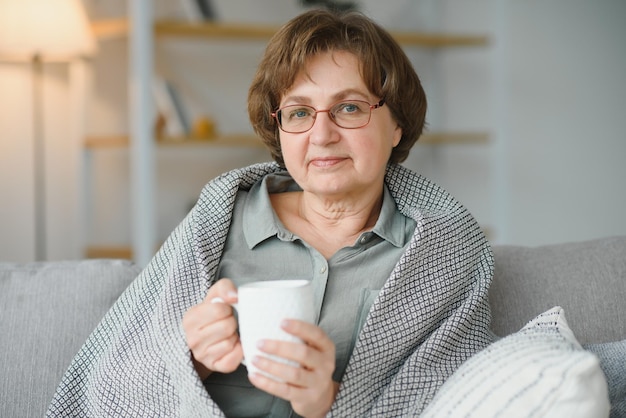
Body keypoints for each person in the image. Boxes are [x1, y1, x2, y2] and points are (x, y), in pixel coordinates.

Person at [47, 9, 494, 418]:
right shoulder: (219, 220)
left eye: (350, 107)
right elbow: (115, 377)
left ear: (397, 123)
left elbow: (448, 397)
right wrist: (193, 360)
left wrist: (328, 399)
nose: (322, 135)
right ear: (279, 129)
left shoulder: (441, 251)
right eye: (299, 112)